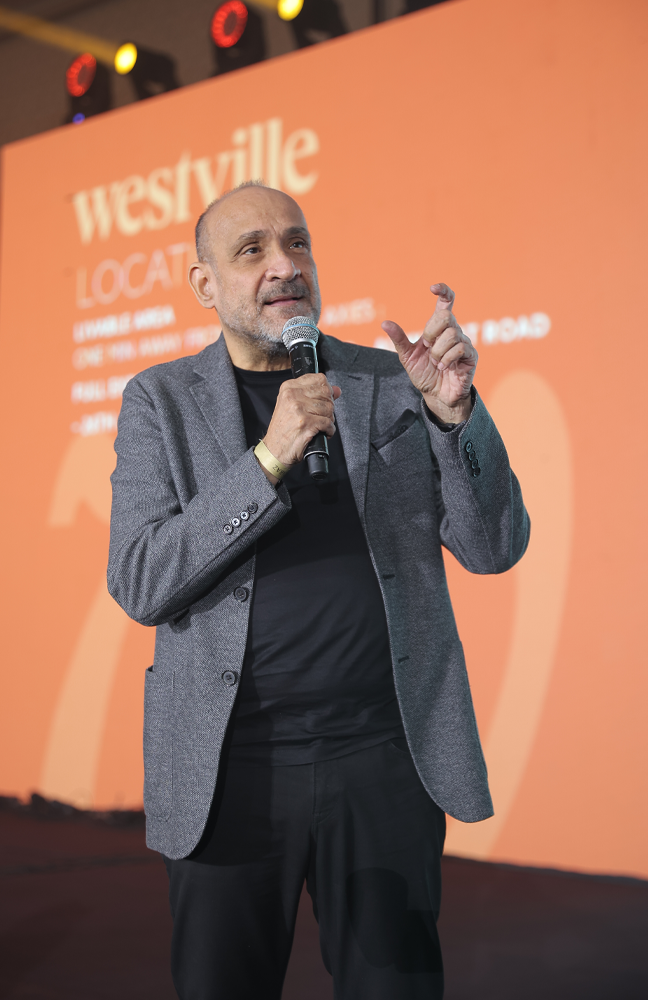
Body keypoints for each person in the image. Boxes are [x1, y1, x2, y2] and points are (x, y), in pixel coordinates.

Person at [107, 182, 530, 999]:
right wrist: (267, 461)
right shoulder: (160, 402)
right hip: (228, 767)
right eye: (253, 250)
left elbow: (494, 546)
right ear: (204, 285)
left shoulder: (391, 382)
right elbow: (141, 578)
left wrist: (456, 418)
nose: (284, 265)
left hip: (383, 760)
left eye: (296, 242)